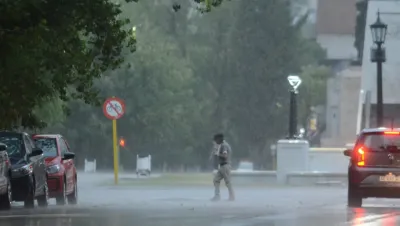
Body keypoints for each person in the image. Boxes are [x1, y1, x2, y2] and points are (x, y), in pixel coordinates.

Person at [211, 133, 235, 201]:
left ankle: (232, 196)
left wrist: (217, 153)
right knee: (216, 180)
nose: (215, 142)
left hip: (225, 166)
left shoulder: (224, 146)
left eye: (216, 140)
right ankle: (217, 195)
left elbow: (225, 156)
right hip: (222, 166)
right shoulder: (222, 145)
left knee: (228, 182)